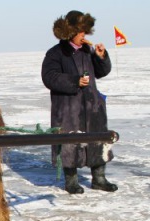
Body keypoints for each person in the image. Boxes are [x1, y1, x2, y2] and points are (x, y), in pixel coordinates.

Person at [42, 10, 118, 194]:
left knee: (97, 140)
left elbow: (101, 72)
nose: (85, 35)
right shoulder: (56, 53)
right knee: (70, 142)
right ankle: (71, 181)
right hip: (68, 107)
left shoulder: (87, 50)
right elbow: (49, 77)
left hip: (92, 106)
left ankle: (99, 179)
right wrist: (74, 81)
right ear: (70, 32)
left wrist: (101, 57)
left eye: (86, 31)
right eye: (81, 31)